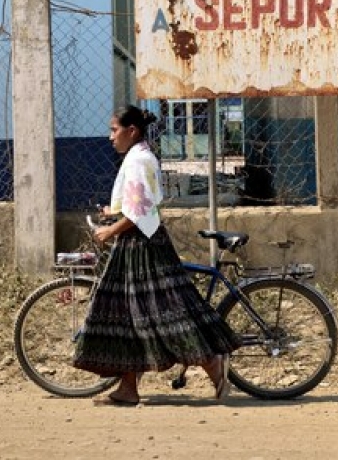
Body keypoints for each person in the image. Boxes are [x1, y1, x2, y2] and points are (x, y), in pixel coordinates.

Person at [72, 105, 241, 406]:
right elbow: (139, 204)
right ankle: (128, 388)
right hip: (140, 241)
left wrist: (109, 231)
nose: (110, 137)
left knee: (167, 314)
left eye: (114, 130)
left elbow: (139, 212)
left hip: (141, 246)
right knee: (130, 316)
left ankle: (213, 365)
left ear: (131, 130)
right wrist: (113, 212)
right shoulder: (140, 156)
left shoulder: (139, 161)